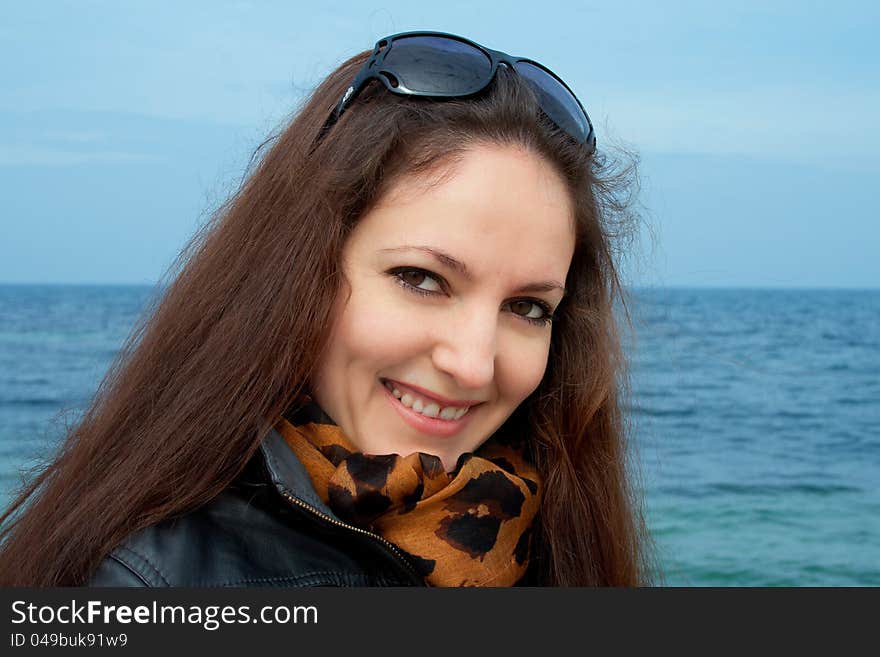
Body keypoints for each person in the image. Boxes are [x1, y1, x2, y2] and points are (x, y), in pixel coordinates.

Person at [0, 31, 652, 586]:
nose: (475, 364)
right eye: (421, 279)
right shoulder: (152, 581)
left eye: (528, 308)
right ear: (298, 273)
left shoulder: (548, 537)